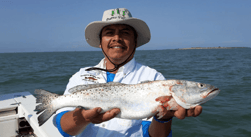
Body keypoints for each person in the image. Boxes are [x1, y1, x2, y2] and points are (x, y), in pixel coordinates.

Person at [54, 8, 202, 137]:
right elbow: (64, 129)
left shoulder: (154, 78)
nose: (117, 38)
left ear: (135, 41)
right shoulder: (81, 75)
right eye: (109, 32)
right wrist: (83, 118)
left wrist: (163, 118)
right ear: (100, 42)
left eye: (125, 33)